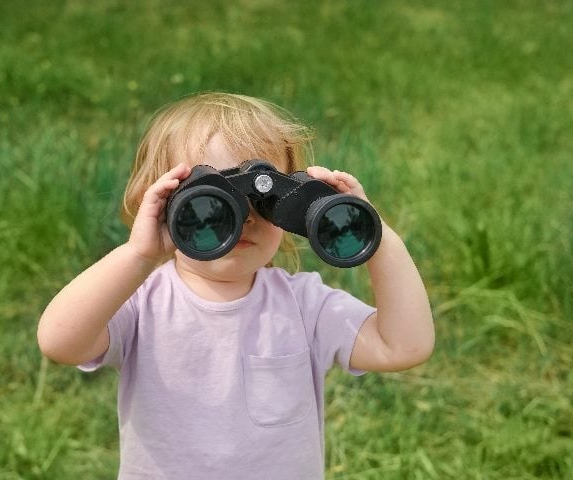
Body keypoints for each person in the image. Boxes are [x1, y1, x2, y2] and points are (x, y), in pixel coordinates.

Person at [37, 92, 435, 479]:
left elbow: (403, 345)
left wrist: (375, 233)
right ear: (160, 207)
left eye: (265, 203)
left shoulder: (303, 304)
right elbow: (59, 341)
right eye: (215, 199)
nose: (244, 217)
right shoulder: (142, 303)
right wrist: (138, 255)